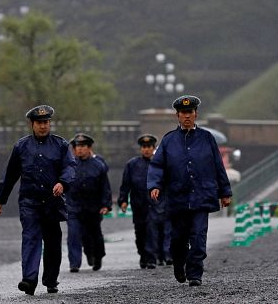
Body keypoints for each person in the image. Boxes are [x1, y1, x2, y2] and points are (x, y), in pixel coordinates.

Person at [147, 95, 232, 287]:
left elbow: (218, 165)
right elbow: (157, 166)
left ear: (196, 114)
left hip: (202, 195)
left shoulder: (206, 138)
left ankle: (195, 273)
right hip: (178, 197)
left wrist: (225, 192)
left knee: (199, 236)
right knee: (178, 238)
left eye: (190, 113)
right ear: (177, 115)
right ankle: (179, 262)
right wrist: (155, 185)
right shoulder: (168, 141)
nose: (187, 116)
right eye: (183, 113)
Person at [0, 105, 76, 296]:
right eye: (39, 123)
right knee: (30, 238)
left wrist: (62, 183)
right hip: (30, 202)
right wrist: (0, 199)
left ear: (50, 123)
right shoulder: (21, 147)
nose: (43, 126)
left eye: (46, 122)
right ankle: (29, 280)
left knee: (53, 243)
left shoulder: (61, 146)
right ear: (32, 124)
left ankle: (50, 279)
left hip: (52, 202)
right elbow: (10, 175)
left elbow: (70, 167)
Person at [119, 133, 168, 269]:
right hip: (138, 204)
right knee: (140, 232)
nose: (146, 149)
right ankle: (143, 255)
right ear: (140, 148)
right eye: (144, 147)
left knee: (154, 230)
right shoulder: (132, 164)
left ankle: (153, 257)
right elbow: (126, 184)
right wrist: (123, 200)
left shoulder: (160, 163)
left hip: (156, 204)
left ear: (153, 148)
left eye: (149, 147)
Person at [66, 133, 111, 272]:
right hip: (74, 206)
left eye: (83, 146)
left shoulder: (98, 165)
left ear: (89, 148)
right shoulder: (68, 165)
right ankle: (74, 263)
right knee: (73, 234)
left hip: (93, 207)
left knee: (94, 235)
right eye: (77, 146)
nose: (79, 149)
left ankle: (96, 256)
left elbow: (105, 187)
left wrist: (105, 205)